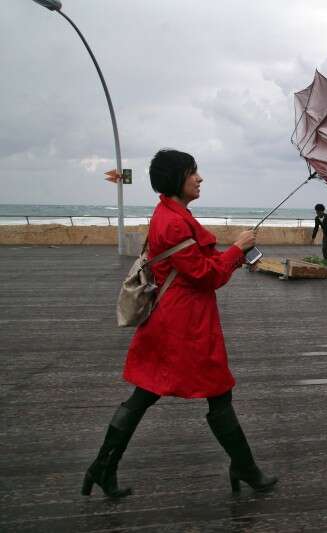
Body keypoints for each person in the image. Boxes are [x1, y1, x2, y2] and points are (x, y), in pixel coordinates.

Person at [82, 149, 277, 498]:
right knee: (217, 392)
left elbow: (197, 264)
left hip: (174, 319)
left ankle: (103, 466)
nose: (199, 178)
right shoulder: (173, 223)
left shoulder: (171, 215)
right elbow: (207, 275)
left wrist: (234, 254)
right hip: (185, 325)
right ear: (177, 179)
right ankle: (244, 467)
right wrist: (237, 249)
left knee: (148, 392)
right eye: (192, 172)